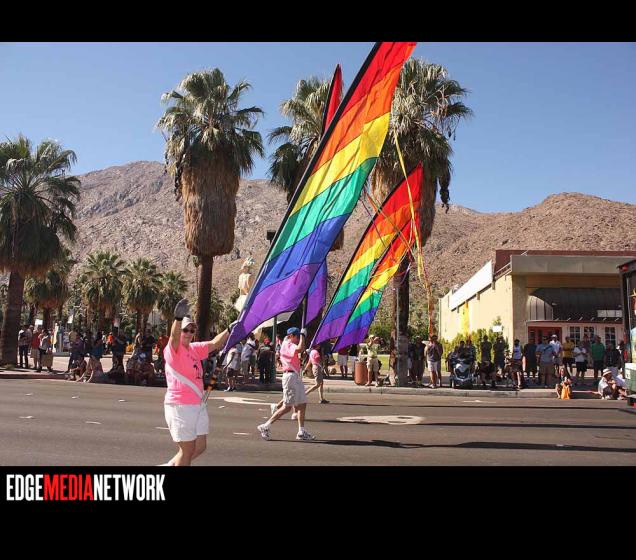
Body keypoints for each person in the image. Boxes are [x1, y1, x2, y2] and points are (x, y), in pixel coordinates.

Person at [160, 298, 231, 467]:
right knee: (187, 451)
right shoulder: (173, 350)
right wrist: (178, 319)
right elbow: (173, 337)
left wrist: (229, 329)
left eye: (192, 330)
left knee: (199, 447)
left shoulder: (194, 349)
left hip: (197, 404)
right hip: (181, 405)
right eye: (185, 330)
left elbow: (215, 343)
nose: (189, 333)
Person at [258, 327, 315, 442]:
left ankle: (301, 431)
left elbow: (299, 352)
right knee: (287, 407)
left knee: (302, 403)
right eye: (297, 336)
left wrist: (304, 353)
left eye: (298, 336)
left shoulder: (289, 344)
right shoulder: (287, 344)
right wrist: (303, 335)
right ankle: (266, 426)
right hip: (290, 377)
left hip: (295, 376)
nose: (298, 338)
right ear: (291, 336)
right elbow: (299, 348)